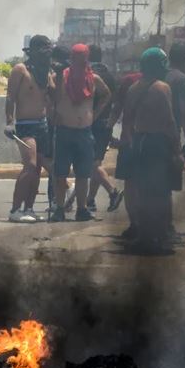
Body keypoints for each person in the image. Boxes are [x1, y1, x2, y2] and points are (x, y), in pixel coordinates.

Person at [122, 47, 182, 254]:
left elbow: (127, 121)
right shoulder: (162, 87)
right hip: (158, 143)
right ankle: (160, 237)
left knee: (144, 192)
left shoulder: (133, 88)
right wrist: (177, 150)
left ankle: (145, 236)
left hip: (139, 142)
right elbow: (169, 121)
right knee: (160, 193)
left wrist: (133, 142)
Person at [50, 43, 110, 222]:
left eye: (83, 59)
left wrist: (94, 114)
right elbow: (54, 96)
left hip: (84, 132)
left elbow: (106, 94)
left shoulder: (94, 79)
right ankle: (59, 208)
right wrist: (59, 75)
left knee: (83, 173)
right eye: (77, 59)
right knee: (60, 173)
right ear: (72, 59)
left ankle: (82, 209)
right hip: (64, 131)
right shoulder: (60, 76)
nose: (80, 63)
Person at [5, 35, 54, 223]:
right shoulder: (20, 69)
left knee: (38, 169)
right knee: (30, 164)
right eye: (42, 50)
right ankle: (15, 209)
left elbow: (53, 94)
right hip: (25, 126)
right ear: (32, 52)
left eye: (48, 50)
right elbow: (10, 97)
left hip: (43, 126)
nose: (45, 54)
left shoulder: (46, 72)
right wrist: (9, 121)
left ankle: (29, 208)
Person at [85, 44, 123, 213]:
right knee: (96, 163)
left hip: (92, 123)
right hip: (106, 124)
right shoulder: (110, 75)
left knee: (92, 164)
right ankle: (90, 200)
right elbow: (115, 102)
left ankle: (112, 191)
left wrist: (92, 116)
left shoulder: (90, 75)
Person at [164, 42, 185, 241]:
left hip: (148, 135)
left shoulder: (160, 74)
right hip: (171, 138)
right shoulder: (183, 80)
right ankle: (166, 227)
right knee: (167, 185)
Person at [108, 68, 142, 239]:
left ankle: (135, 223)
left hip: (129, 140)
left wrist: (108, 131)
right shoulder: (157, 86)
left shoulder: (128, 84)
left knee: (130, 183)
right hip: (148, 139)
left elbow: (116, 110)